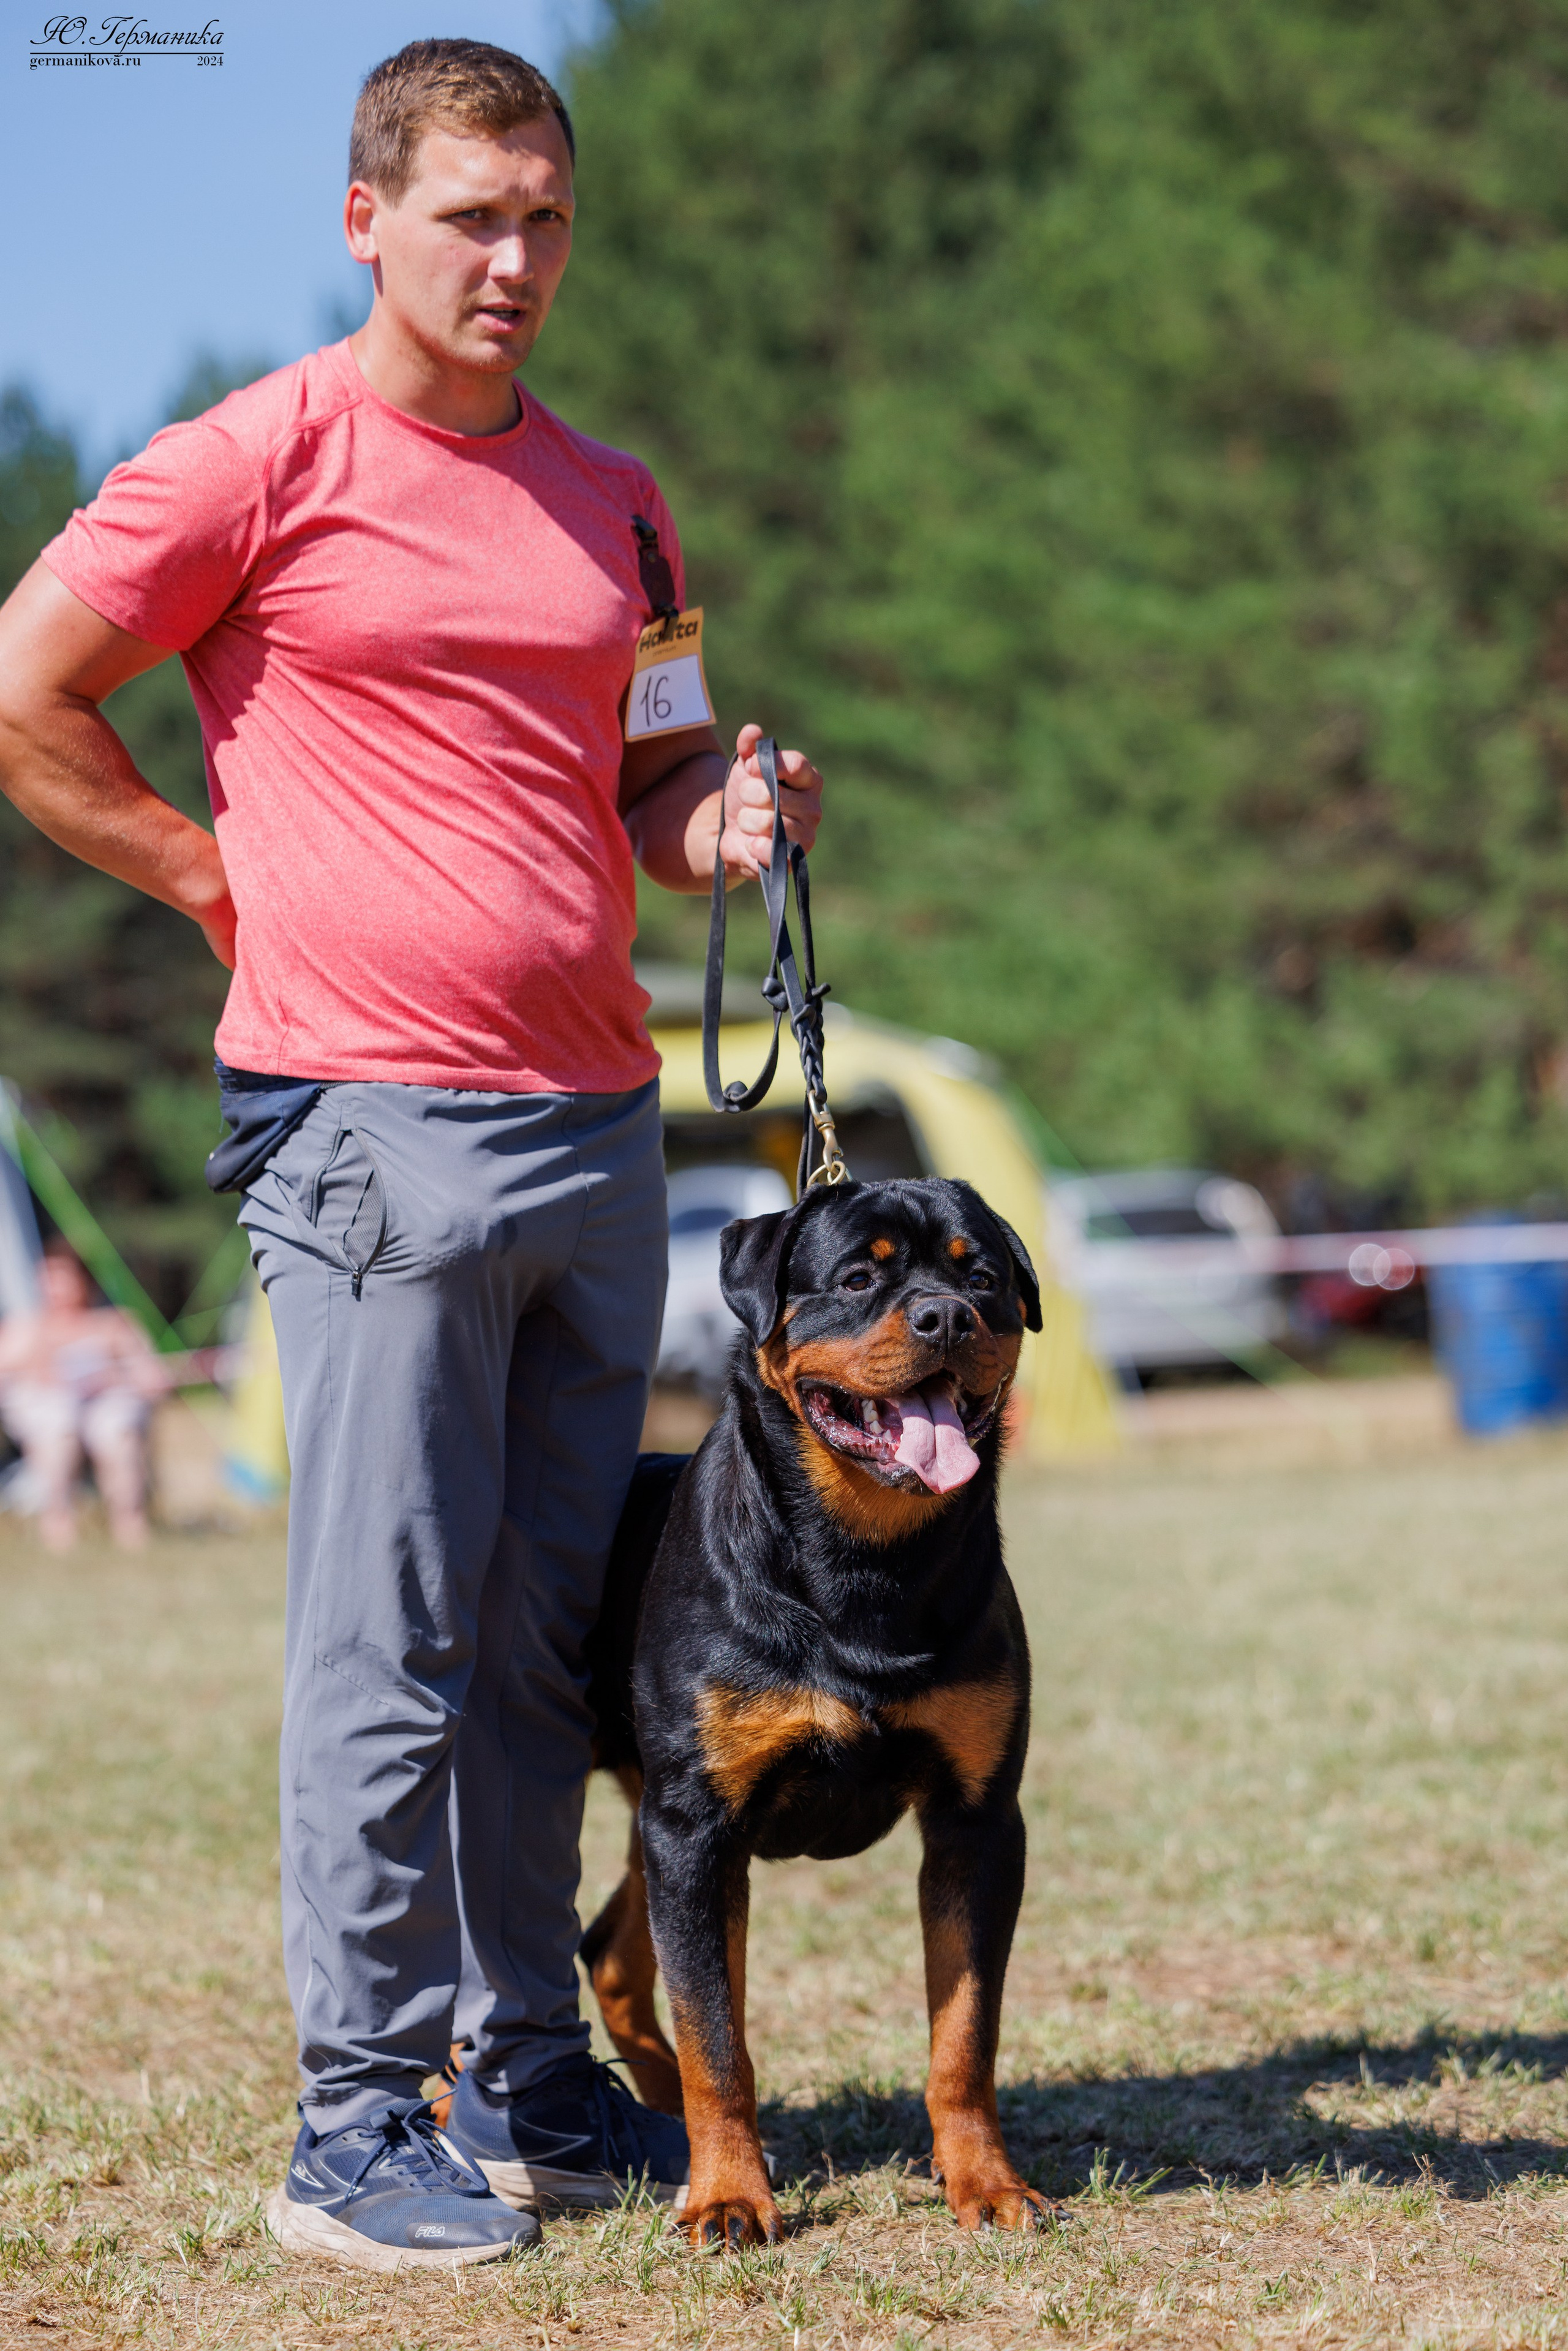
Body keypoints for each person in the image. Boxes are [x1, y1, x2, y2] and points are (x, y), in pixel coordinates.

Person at [0, 39, 824, 2270]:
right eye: (472, 216)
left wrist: (717, 824)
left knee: (545, 1642)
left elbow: (650, 794)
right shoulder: (247, 458)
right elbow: (25, 684)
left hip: (592, 1124)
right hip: (363, 1120)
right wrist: (202, 875)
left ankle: (524, 2076)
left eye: (545, 218)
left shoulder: (618, 495)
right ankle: (349, 2117)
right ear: (364, 216)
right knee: (390, 1630)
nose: (515, 261)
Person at [0, 1240, 167, 1551]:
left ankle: (130, 1526)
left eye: (63, 1278)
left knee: (116, 1429)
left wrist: (114, 1376)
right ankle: (58, 1526)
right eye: (49, 1278)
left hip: (106, 1406)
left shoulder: (114, 1324)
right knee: (56, 1424)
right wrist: (36, 1369)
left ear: (84, 1281)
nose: (55, 1288)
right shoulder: (26, 1328)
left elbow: (154, 1380)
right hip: (48, 1412)